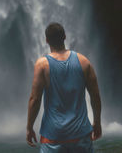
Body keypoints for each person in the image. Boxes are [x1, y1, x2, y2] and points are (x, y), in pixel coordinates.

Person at [26, 22, 102, 152]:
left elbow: (35, 99)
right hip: (81, 134)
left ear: (46, 40)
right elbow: (95, 96)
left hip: (53, 136)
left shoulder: (42, 65)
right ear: (65, 37)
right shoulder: (84, 62)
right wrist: (97, 122)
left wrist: (29, 127)